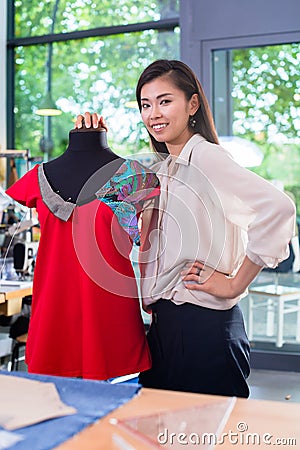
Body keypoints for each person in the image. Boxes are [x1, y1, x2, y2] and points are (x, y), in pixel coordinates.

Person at [75, 59, 296, 397]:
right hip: (167, 327)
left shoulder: (207, 158)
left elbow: (279, 208)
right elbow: (116, 216)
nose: (154, 114)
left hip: (202, 329)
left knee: (208, 440)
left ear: (192, 104)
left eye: (165, 101)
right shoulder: (166, 169)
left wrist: (235, 283)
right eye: (145, 105)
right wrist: (93, 144)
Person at [5, 124, 159, 380]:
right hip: (53, 317)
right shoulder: (37, 177)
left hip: (112, 321)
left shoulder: (134, 177)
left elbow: (151, 249)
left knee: (117, 415)